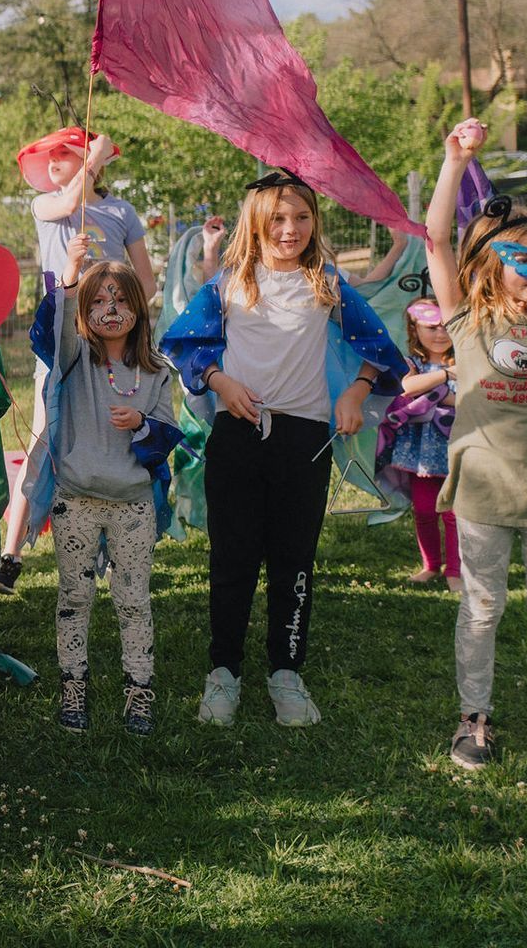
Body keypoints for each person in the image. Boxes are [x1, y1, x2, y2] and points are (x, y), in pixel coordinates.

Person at [162, 169, 404, 727]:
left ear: (314, 221)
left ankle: (286, 673)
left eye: (300, 217)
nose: (289, 228)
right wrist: (221, 382)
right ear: (256, 222)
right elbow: (184, 345)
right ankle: (223, 673)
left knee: (294, 560)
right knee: (232, 558)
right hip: (237, 437)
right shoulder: (228, 283)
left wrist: (357, 390)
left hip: (303, 441)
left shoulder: (327, 283)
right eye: (277, 218)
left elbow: (380, 347)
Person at [421, 118, 527, 770]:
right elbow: (437, 240)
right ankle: (474, 720)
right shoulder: (468, 322)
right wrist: (455, 162)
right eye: (523, 261)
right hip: (481, 490)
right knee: (483, 606)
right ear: (489, 270)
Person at [23, 235, 179, 735]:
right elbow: (52, 320)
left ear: (138, 307)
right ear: (84, 313)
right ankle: (73, 687)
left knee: (133, 599)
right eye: (98, 302)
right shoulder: (74, 358)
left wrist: (141, 424)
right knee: (75, 597)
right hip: (77, 502)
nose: (110, 310)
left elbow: (167, 435)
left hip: (132, 505)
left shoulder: (155, 372)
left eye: (119, 300)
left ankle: (139, 692)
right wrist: (70, 271)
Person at [0, 129, 156, 598]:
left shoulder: (122, 212)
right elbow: (66, 206)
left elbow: (144, 278)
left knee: (111, 437)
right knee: (46, 437)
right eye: (52, 157)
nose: (57, 163)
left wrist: (127, 322)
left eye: (69, 154)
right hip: (65, 343)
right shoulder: (45, 204)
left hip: (116, 346)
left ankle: (110, 551)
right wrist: (94, 158)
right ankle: (12, 554)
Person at [383, 296, 460, 590]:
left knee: (453, 513)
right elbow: (408, 386)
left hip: (456, 448)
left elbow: (464, 398)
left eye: (446, 327)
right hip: (421, 454)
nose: (440, 334)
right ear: (415, 329)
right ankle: (431, 565)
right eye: (431, 328)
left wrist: (436, 393)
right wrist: (446, 377)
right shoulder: (412, 362)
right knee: (425, 510)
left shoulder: (466, 359)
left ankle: (455, 571)